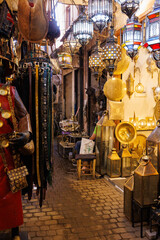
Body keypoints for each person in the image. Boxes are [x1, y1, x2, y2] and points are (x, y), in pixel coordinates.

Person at [0, 83, 33, 240]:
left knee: (12, 190)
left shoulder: (9, 91)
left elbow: (23, 115)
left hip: (8, 152)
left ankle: (15, 231)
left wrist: (26, 133)